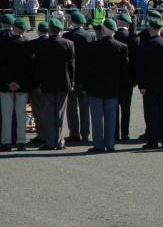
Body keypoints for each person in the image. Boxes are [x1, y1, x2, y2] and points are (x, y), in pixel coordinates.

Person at [80, 19, 128, 153]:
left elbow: (86, 69)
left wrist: (83, 86)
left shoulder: (92, 46)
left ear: (102, 29)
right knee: (111, 117)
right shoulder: (122, 47)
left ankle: (99, 144)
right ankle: (110, 143)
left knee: (96, 118)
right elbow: (124, 71)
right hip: (113, 87)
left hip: (95, 87)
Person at [33, 18, 75, 150]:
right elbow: (71, 67)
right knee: (60, 114)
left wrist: (39, 82)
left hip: (47, 82)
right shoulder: (69, 43)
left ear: (50, 30)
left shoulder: (43, 45)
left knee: (48, 113)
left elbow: (38, 65)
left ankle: (50, 141)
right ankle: (60, 141)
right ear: (60, 30)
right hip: (63, 82)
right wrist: (72, 82)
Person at [136, 17, 163, 149]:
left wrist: (141, 85)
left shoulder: (145, 45)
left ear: (150, 29)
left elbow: (141, 67)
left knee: (151, 113)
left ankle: (153, 140)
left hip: (150, 84)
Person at [0, 18, 33, 151]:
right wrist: (19, 82)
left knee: (6, 115)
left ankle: (6, 141)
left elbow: (2, 65)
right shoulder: (27, 44)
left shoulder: (3, 43)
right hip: (22, 85)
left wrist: (9, 81)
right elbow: (29, 67)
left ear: (14, 28)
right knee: (21, 114)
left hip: (5, 84)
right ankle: (21, 141)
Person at [63, 11, 95, 143]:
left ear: (73, 22)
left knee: (71, 106)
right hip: (85, 75)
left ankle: (74, 133)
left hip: (71, 75)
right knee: (85, 106)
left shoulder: (67, 35)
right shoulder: (90, 36)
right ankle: (86, 133)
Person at [114, 13, 139, 141]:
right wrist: (135, 79)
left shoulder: (114, 36)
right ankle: (125, 133)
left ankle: (115, 134)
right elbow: (137, 61)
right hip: (129, 77)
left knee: (114, 107)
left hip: (114, 77)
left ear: (119, 22)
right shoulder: (134, 38)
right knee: (126, 108)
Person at [27, 22, 50, 144]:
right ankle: (51, 134)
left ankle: (42, 134)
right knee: (50, 110)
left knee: (37, 110)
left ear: (38, 31)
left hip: (36, 82)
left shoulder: (32, 44)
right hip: (51, 82)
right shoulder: (53, 43)